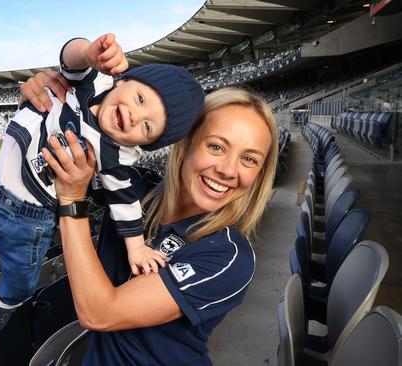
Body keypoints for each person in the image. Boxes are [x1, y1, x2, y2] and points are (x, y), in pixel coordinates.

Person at [0, 33, 205, 335]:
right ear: (122, 81)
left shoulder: (114, 157)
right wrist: (89, 51)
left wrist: (137, 250)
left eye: (148, 126)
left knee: (20, 280)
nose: (136, 116)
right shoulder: (91, 84)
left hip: (30, 217)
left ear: (146, 144)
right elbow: (70, 58)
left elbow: (126, 204)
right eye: (140, 99)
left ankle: (5, 302)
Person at [22, 73, 278, 365]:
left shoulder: (229, 257)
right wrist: (45, 99)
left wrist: (71, 201)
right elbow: (43, 162)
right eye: (217, 147)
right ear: (186, 143)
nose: (229, 171)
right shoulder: (133, 188)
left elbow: (100, 313)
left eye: (249, 159)